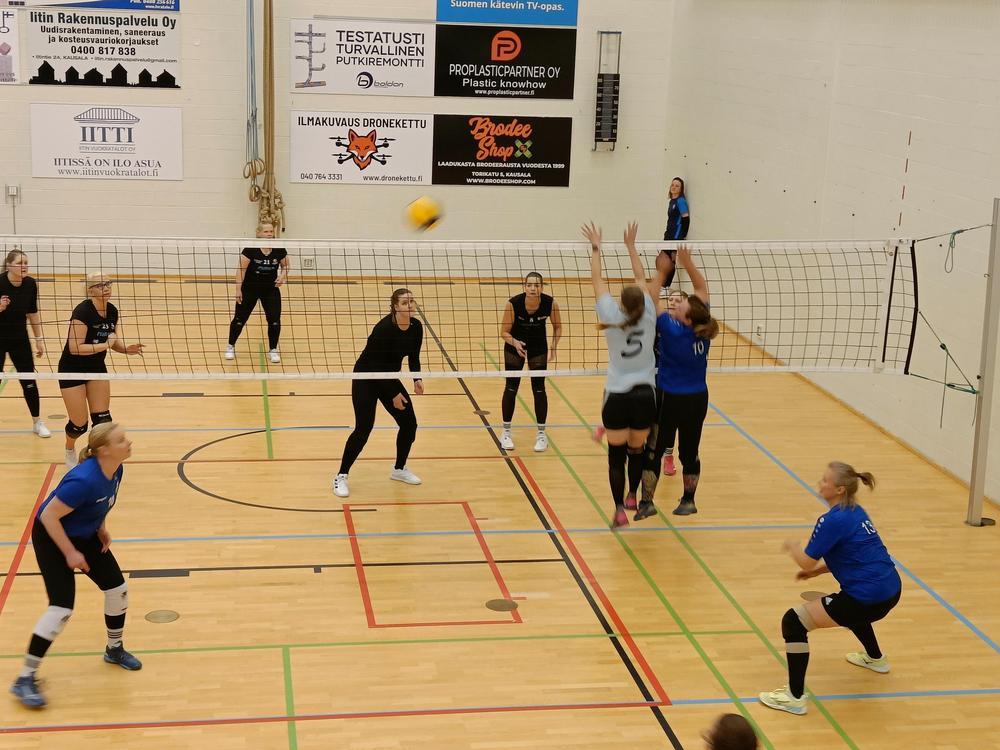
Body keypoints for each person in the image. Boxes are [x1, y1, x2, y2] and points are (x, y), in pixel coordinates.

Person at [10, 422, 141, 709]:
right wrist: (69, 553)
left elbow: (102, 503)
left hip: (84, 532)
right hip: (52, 536)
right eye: (121, 440)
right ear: (103, 450)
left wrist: (101, 527)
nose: (128, 442)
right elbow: (49, 516)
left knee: (117, 590)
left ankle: (114, 649)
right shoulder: (83, 480)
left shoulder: (116, 468)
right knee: (61, 608)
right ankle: (24, 678)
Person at [758, 462, 902, 716]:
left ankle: (794, 698)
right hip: (891, 590)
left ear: (839, 489)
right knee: (851, 610)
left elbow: (806, 560)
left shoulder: (832, 520)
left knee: (794, 621)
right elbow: (852, 556)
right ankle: (876, 659)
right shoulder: (856, 511)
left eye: (825, 480)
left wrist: (793, 547)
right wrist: (816, 573)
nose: (820, 483)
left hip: (866, 598)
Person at [582, 220, 659, 530]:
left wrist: (596, 247)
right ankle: (631, 495)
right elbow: (641, 277)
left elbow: (596, 280)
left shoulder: (611, 316)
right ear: (642, 302)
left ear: (622, 304)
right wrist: (631, 247)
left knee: (616, 457)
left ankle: (618, 512)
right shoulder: (650, 313)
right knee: (636, 450)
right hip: (645, 396)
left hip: (617, 396)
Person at [635, 247, 719, 520]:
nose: (676, 305)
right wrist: (688, 262)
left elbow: (651, 297)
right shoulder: (702, 328)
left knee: (654, 450)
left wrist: (663, 271)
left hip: (669, 400)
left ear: (687, 317)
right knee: (690, 452)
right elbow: (701, 288)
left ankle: (646, 503)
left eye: (681, 306)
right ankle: (689, 501)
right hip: (697, 400)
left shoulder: (672, 330)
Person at [333, 288, 424, 498]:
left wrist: (417, 378)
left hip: (388, 377)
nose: (410, 305)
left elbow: (414, 357)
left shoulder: (416, 327)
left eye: (412, 301)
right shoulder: (384, 328)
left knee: (409, 424)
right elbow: (375, 365)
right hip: (366, 377)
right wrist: (393, 394)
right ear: (395, 307)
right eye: (405, 302)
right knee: (363, 428)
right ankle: (341, 476)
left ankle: (399, 469)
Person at [58, 273, 144, 469]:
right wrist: (106, 345)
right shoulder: (82, 312)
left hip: (96, 368)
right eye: (99, 285)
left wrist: (125, 349)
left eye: (108, 283)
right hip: (72, 369)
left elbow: (111, 338)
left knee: (103, 421)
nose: (105, 288)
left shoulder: (112, 310)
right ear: (90, 290)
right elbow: (75, 348)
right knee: (79, 425)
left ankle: (95, 460)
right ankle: (69, 448)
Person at [499, 272, 562, 452]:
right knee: (511, 387)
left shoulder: (550, 303)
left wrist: (554, 346)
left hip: (538, 346)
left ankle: (541, 434)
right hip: (515, 345)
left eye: (537, 285)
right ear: (524, 287)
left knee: (539, 388)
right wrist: (515, 343)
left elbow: (558, 327)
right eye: (529, 285)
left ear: (542, 287)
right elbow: (504, 332)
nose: (533, 288)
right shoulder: (513, 304)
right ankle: (505, 432)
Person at [0, 249, 50, 438]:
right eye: (20, 263)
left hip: (19, 339)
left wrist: (39, 339)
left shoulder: (30, 284)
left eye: (26, 263)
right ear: (9, 266)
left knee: (29, 381)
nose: (24, 266)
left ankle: (37, 422)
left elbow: (32, 312)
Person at [224, 222, 289, 364]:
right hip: (250, 289)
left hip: (270, 290)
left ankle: (273, 350)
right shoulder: (250, 249)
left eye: (271, 231)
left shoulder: (279, 248)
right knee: (239, 320)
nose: (269, 234)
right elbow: (241, 270)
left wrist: (282, 276)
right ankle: (230, 346)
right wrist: (238, 289)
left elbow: (286, 266)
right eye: (266, 232)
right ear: (258, 233)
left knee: (274, 321)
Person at [660, 177, 690, 296]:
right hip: (669, 234)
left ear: (681, 189)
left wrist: (683, 236)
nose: (674, 187)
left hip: (676, 236)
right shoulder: (672, 201)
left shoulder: (681, 201)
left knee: (671, 261)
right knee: (663, 259)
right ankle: (663, 285)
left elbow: (686, 218)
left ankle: (666, 287)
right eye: (672, 185)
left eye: (677, 186)